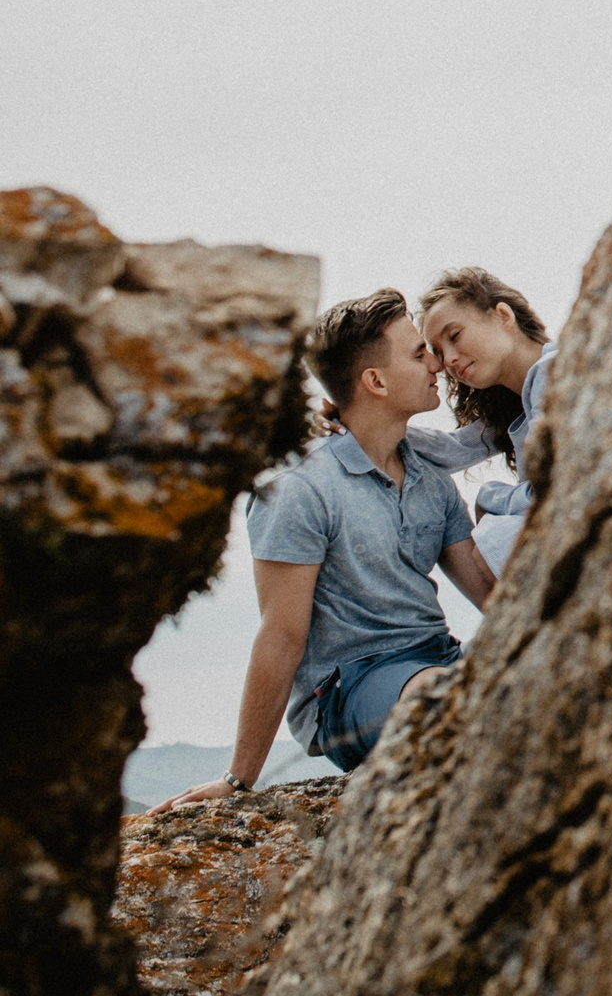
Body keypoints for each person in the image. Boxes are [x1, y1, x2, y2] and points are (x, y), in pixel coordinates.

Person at [152, 290, 496, 808]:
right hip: (347, 691)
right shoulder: (298, 488)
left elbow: (491, 595)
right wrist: (239, 780)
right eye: (418, 353)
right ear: (374, 382)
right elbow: (281, 637)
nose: (437, 362)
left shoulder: (430, 477)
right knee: (445, 699)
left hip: (437, 660)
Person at [413, 267, 556, 574]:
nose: (448, 359)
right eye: (439, 352)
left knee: (497, 539)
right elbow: (452, 450)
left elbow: (557, 490)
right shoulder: (516, 399)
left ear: (503, 316)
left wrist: (490, 498)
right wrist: (359, 422)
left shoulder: (553, 371)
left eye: (454, 336)